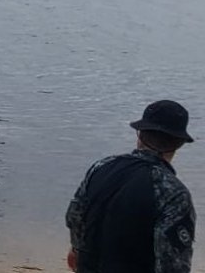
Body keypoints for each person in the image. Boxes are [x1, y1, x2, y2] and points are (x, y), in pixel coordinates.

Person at [65, 100, 195, 273]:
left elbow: (75, 216)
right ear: (179, 143)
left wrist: (76, 250)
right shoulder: (173, 192)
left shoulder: (102, 167)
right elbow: (172, 262)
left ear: (139, 134)